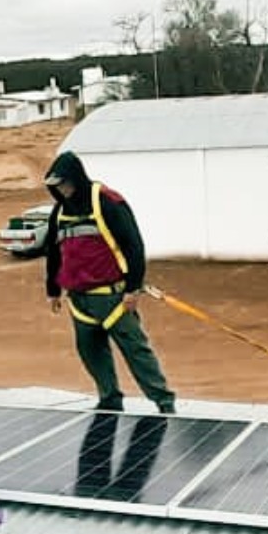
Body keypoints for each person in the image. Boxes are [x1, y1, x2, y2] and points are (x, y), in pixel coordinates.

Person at [42, 151, 173, 497]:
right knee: (90, 351)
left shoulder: (107, 202)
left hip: (113, 296)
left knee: (135, 349)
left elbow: (133, 244)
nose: (62, 190)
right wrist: (53, 288)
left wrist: (133, 288)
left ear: (76, 177)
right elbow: (54, 252)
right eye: (56, 186)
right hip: (79, 298)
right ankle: (109, 396)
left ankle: (163, 400)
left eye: (64, 183)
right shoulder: (61, 211)